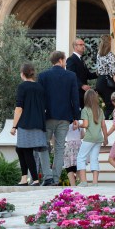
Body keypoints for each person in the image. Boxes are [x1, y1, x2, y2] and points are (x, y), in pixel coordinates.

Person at [37, 51, 80, 186]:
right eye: (65, 60)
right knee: (60, 148)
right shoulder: (71, 76)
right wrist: (75, 117)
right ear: (61, 60)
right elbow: (75, 97)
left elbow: (40, 98)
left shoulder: (43, 76)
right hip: (65, 118)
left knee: (43, 147)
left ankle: (48, 177)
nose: (66, 62)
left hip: (48, 117)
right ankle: (55, 179)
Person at [10, 63, 47, 186]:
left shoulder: (23, 87)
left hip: (26, 124)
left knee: (26, 151)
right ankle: (24, 178)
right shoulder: (40, 87)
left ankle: (34, 179)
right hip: (38, 123)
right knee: (20, 149)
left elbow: (19, 108)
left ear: (22, 74)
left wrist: (14, 126)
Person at [77, 89, 108, 187]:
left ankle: (84, 182)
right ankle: (95, 183)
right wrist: (105, 138)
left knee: (81, 157)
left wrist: (78, 125)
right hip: (98, 138)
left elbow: (85, 124)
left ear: (85, 99)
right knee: (94, 158)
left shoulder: (85, 110)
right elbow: (103, 125)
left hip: (89, 138)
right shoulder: (100, 110)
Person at [96, 35, 115, 118]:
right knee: (111, 106)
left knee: (108, 105)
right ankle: (104, 125)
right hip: (107, 83)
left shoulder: (99, 54)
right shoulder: (110, 56)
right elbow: (114, 73)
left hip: (100, 81)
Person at [67, 38, 97, 108]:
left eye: (84, 45)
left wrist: (98, 73)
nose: (83, 46)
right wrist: (81, 85)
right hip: (77, 92)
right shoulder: (71, 59)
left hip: (83, 93)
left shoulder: (81, 59)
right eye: (81, 45)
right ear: (75, 46)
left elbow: (88, 75)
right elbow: (71, 75)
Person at [63, 121, 84, 186]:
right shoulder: (79, 123)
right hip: (79, 146)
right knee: (79, 165)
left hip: (69, 146)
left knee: (68, 166)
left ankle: (73, 185)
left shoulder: (66, 124)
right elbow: (82, 136)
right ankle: (82, 182)